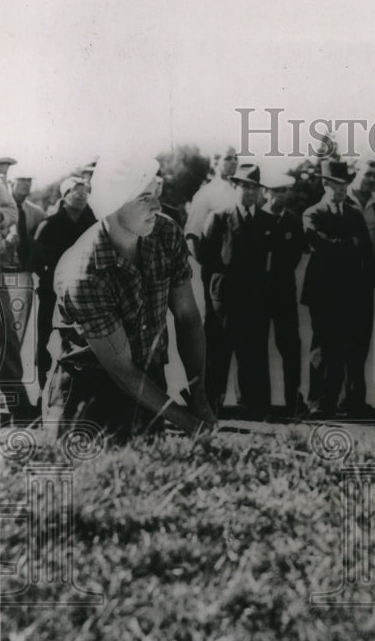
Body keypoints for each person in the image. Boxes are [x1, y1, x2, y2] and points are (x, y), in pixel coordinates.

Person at [43, 154, 215, 440]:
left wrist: (198, 394)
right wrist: (187, 422)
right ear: (112, 205)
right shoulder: (82, 272)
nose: (158, 206)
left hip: (148, 381)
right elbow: (122, 370)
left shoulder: (166, 233)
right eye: (144, 198)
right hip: (87, 392)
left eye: (156, 194)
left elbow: (187, 317)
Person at [301, 160, 374, 419]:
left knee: (352, 345)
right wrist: (347, 244)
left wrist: (342, 245)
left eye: (345, 185)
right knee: (323, 346)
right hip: (323, 290)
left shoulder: (353, 213)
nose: (342, 190)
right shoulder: (312, 213)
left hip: (351, 291)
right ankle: (319, 401)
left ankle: (352, 401)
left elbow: (364, 246)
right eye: (337, 185)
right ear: (325, 184)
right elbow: (321, 244)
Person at [200, 164, 274, 419]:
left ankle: (252, 407)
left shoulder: (266, 221)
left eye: (255, 187)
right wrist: (211, 299)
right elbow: (206, 260)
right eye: (245, 186)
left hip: (254, 298)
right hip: (225, 297)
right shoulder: (219, 218)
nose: (250, 192)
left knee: (252, 353)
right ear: (235, 186)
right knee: (219, 353)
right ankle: (211, 405)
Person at [184, 147, 244, 412]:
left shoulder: (241, 189)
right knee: (216, 333)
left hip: (243, 274)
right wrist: (208, 267)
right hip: (217, 273)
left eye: (235, 158)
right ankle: (210, 397)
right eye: (226, 157)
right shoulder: (207, 194)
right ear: (216, 161)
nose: (232, 162)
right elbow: (192, 234)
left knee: (241, 333)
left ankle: (242, 398)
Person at [32, 176, 97, 389]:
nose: (80, 196)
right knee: (46, 335)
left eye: (84, 192)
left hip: (83, 293)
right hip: (52, 291)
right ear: (64, 196)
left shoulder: (92, 225)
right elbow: (36, 260)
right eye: (74, 192)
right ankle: (44, 384)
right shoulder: (49, 225)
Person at [0, 159, 45, 421]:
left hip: (10, 274)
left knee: (10, 335)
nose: (25, 184)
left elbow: (10, 213)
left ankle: (18, 409)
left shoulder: (33, 211)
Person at [343, 158, 375, 417]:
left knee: (360, 342)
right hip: (339, 281)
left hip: (368, 280)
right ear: (355, 172)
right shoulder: (340, 197)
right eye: (368, 173)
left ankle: (354, 401)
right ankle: (326, 401)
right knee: (333, 341)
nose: (372, 179)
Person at [262, 173, 307, 419]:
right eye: (273, 190)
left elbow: (297, 253)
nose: (278, 196)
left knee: (290, 346)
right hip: (258, 292)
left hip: (284, 291)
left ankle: (293, 401)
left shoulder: (293, 221)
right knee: (256, 346)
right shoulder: (257, 219)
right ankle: (260, 402)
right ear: (265, 192)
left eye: (282, 191)